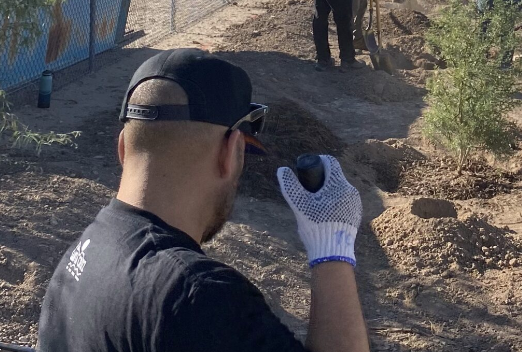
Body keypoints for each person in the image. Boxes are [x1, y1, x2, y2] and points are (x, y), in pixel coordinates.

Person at [38, 48, 369, 352]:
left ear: (123, 148)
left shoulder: (83, 253)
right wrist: (333, 248)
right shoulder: (197, 296)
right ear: (231, 152)